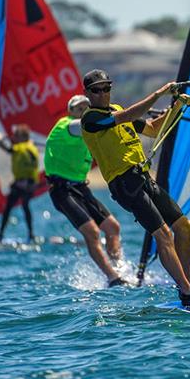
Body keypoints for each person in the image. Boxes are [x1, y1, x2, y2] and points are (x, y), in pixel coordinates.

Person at [79, 69, 190, 308]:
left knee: (184, 227)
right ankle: (187, 291)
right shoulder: (90, 119)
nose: (103, 94)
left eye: (106, 88)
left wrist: (177, 106)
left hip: (144, 179)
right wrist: (160, 92)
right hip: (124, 184)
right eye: (97, 90)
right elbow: (130, 114)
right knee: (163, 235)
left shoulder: (117, 110)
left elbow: (152, 128)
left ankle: (189, 288)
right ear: (87, 93)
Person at [45, 95, 127, 287]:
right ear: (70, 112)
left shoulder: (90, 134)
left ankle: (119, 269)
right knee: (92, 232)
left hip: (81, 188)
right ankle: (113, 278)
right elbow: (84, 124)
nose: (83, 111)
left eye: (86, 108)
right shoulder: (65, 126)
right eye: (78, 108)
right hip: (61, 190)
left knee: (113, 228)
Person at [0, 124, 40, 242]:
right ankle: (31, 234)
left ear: (23, 137)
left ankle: (0, 234)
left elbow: (10, 149)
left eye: (17, 136)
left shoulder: (21, 147)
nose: (14, 138)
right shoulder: (32, 146)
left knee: (9, 208)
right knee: (25, 206)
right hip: (31, 183)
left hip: (23, 183)